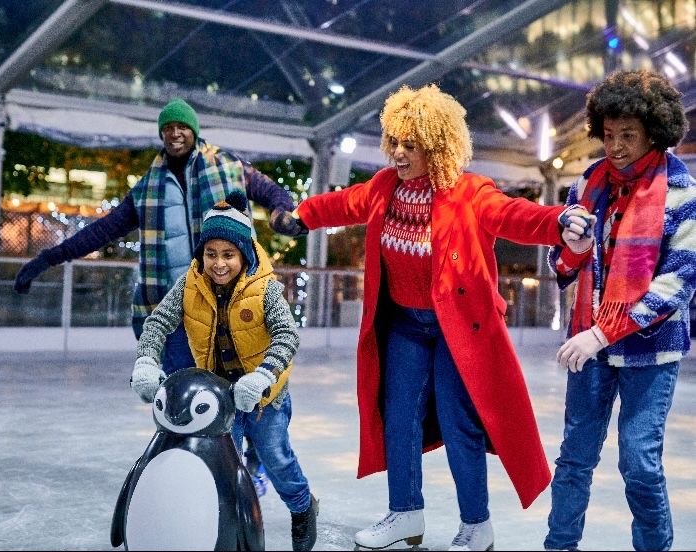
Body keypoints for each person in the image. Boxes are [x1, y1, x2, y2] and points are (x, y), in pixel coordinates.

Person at [290, 84, 589, 551]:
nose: (398, 153)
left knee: (458, 423)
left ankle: (476, 525)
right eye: (395, 142)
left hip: (458, 331)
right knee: (399, 419)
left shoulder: (470, 193)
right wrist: (302, 216)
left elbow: (514, 215)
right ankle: (405, 513)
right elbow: (344, 202)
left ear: (437, 146)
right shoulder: (384, 188)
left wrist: (557, 222)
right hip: (405, 326)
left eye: (411, 145)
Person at [13, 98, 307, 375]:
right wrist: (48, 258)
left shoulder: (229, 166)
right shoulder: (147, 188)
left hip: (232, 302)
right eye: (168, 128)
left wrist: (282, 213)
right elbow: (102, 231)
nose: (175, 133)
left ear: (193, 131)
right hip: (179, 307)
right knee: (178, 391)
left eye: (182, 127)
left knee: (240, 393)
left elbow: (272, 192)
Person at [545, 69, 696, 552]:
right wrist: (573, 248)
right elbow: (562, 264)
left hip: (650, 350)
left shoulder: (682, 191)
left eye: (627, 135)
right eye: (608, 134)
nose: (614, 146)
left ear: (653, 133)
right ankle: (559, 546)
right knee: (574, 458)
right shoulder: (588, 184)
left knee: (639, 462)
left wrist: (603, 332)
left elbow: (678, 282)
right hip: (591, 343)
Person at [130, 190, 319, 551]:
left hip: (266, 397)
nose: (219, 264)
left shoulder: (265, 289)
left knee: (275, 459)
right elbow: (156, 323)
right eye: (211, 253)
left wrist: (263, 376)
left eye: (228, 254)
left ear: (243, 254)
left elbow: (287, 335)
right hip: (220, 398)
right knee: (225, 466)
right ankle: (229, 527)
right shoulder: (189, 284)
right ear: (201, 254)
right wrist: (146, 361)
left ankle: (302, 507)